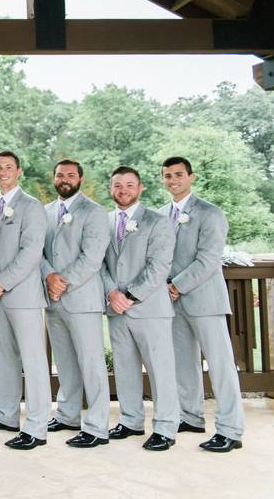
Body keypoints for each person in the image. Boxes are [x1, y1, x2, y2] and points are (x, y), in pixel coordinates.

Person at [159, 156, 244, 452]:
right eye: (167, 175)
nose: (173, 180)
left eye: (178, 174)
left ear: (191, 177)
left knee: (220, 366)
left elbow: (208, 260)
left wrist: (176, 286)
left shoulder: (211, 213)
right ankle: (191, 416)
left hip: (204, 300)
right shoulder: (159, 215)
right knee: (183, 363)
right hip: (171, 303)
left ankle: (231, 430)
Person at [102, 166, 179, 451]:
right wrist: (111, 292)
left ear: (141, 187)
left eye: (129, 185)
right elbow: (100, 263)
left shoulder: (158, 221)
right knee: (124, 368)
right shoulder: (105, 221)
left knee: (160, 370)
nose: (123, 190)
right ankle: (131, 420)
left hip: (149, 308)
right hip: (116, 307)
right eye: (118, 185)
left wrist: (129, 296)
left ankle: (166, 427)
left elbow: (159, 266)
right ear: (111, 187)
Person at [0, 150, 51, 450]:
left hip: (22, 295)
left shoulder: (32, 207)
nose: (3, 172)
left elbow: (32, 252)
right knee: (5, 358)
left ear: (18, 171)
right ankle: (8, 414)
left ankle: (36, 426)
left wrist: (3, 281)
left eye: (8, 167)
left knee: (34, 361)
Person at [40, 160, 111, 448]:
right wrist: (48, 276)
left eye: (70, 175)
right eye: (60, 175)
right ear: (54, 179)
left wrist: (63, 281)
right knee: (65, 361)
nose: (65, 179)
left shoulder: (94, 212)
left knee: (91, 363)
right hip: (53, 301)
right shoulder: (44, 213)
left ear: (80, 178)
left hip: (81, 299)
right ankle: (68, 414)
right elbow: (38, 251)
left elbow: (93, 257)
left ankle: (96, 426)